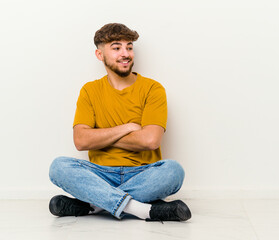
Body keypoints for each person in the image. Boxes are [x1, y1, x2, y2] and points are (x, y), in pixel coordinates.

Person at [48, 23, 191, 222]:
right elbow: (81, 141)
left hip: (142, 173)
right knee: (58, 167)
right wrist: (127, 128)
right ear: (100, 54)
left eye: (129, 47)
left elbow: (150, 141)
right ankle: (143, 210)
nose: (126, 53)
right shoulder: (90, 91)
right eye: (116, 48)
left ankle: (94, 205)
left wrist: (99, 136)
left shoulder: (153, 89)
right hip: (100, 174)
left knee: (173, 171)